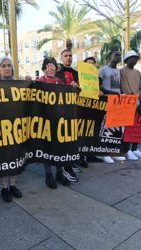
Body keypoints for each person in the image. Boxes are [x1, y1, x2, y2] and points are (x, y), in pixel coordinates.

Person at [37, 57, 72, 188]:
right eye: (48, 65)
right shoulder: (39, 81)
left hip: (59, 120)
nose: (50, 67)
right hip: (45, 120)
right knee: (47, 147)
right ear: (44, 67)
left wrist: (74, 89)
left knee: (59, 147)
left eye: (52, 65)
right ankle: (48, 174)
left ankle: (59, 172)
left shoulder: (60, 82)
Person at [0, 57, 23, 202]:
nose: (7, 68)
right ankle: (4, 187)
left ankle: (13, 184)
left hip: (16, 126)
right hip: (0, 128)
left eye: (9, 65)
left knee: (15, 156)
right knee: (4, 157)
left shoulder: (19, 84)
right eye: (3, 66)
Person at [55, 49, 83, 180]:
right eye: (66, 56)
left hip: (73, 111)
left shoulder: (77, 73)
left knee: (72, 139)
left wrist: (77, 88)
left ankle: (70, 163)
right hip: (61, 112)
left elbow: (81, 92)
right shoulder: (57, 73)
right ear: (61, 58)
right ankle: (65, 168)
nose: (68, 58)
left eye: (70, 56)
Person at [98, 50, 127, 163]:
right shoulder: (103, 70)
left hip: (118, 102)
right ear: (111, 57)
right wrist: (114, 93)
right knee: (105, 129)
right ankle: (104, 153)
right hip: (107, 101)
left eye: (120, 55)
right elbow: (99, 86)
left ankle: (113, 152)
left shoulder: (120, 71)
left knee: (115, 129)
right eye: (116, 55)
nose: (119, 56)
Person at [120, 50, 141, 160]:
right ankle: (127, 150)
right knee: (127, 127)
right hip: (128, 101)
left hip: (138, 102)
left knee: (137, 126)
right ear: (127, 60)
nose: (135, 60)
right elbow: (125, 86)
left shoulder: (138, 72)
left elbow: (140, 88)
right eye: (132, 58)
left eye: (136, 58)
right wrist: (133, 100)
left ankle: (135, 149)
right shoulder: (122, 71)